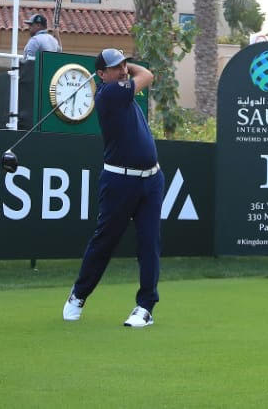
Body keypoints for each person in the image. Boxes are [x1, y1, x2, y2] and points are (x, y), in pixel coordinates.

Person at [64, 49, 164, 327]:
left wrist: (121, 64)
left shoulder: (120, 88)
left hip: (152, 179)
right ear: (101, 74)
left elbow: (138, 76)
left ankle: (145, 307)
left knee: (149, 243)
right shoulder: (109, 94)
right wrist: (130, 67)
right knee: (104, 243)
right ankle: (78, 295)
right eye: (115, 67)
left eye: (122, 65)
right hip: (120, 181)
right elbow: (147, 74)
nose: (122, 70)